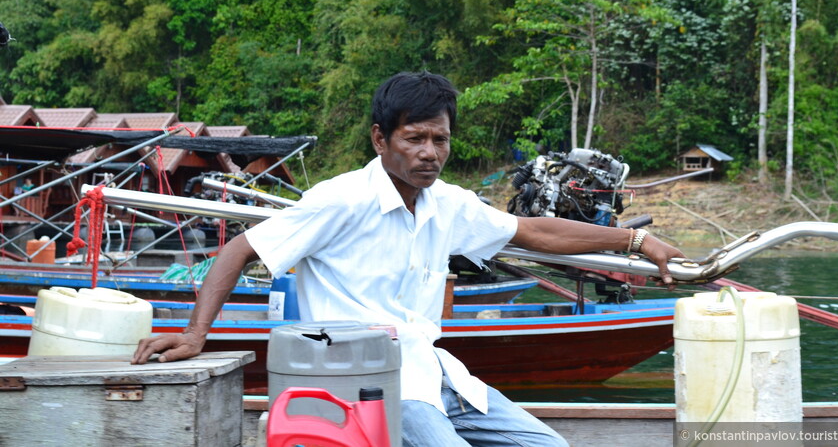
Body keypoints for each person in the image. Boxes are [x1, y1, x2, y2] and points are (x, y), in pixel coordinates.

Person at [132, 71, 683, 446]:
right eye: (414, 138)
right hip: (364, 381)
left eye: (439, 140)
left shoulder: (448, 203)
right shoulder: (339, 199)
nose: (429, 153)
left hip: (438, 375)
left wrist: (634, 242)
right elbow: (239, 249)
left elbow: (533, 231)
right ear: (380, 139)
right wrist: (196, 334)